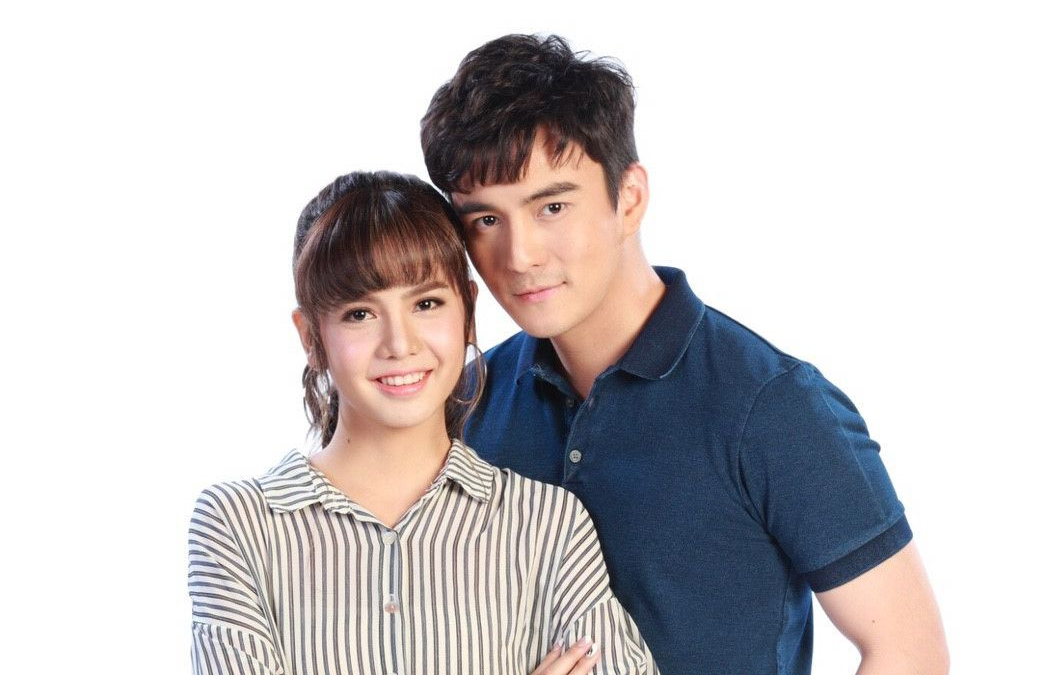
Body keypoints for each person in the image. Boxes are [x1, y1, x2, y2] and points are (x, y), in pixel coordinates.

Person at [421, 34, 949, 674]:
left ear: (629, 198)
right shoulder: (464, 401)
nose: (520, 255)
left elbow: (908, 650)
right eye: (485, 220)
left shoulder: (771, 404)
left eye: (552, 206)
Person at [187, 171, 658, 674]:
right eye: (359, 314)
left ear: (468, 313)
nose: (400, 344)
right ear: (311, 337)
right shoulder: (238, 525)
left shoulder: (546, 523)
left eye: (426, 304)